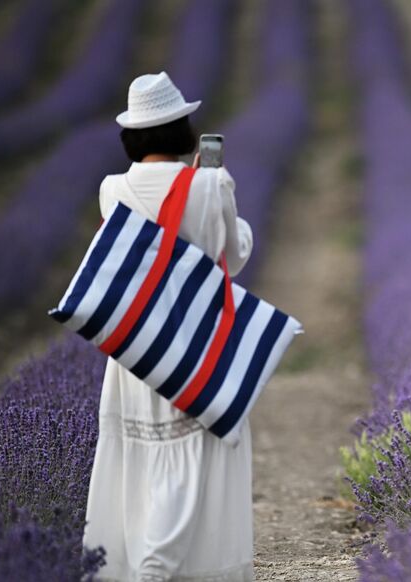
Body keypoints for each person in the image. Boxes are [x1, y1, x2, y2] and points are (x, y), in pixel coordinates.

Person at [83, 72, 255, 581]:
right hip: (196, 347)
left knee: (140, 461)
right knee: (194, 459)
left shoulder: (111, 189)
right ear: (181, 128)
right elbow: (236, 255)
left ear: (133, 135)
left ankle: (138, 561)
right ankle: (163, 568)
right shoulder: (209, 185)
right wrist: (219, 193)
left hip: (136, 349)